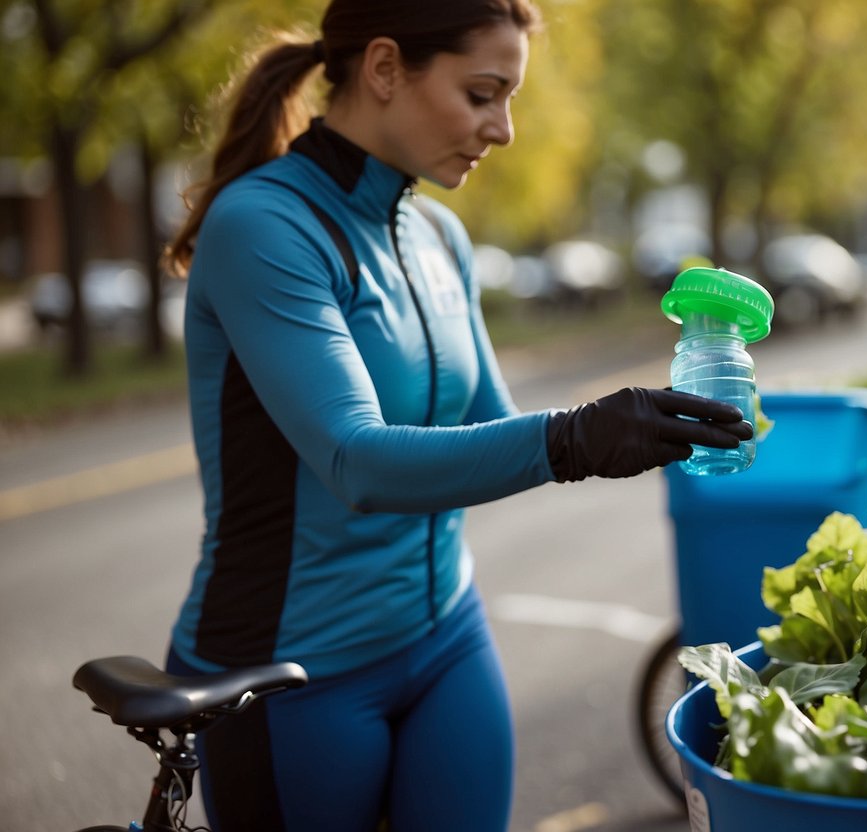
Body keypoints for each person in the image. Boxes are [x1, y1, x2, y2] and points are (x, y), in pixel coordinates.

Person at [161, 2, 751, 830]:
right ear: (384, 69)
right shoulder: (265, 225)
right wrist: (577, 436)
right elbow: (356, 461)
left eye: (508, 97)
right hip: (289, 670)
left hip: (443, 639)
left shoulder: (437, 235)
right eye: (482, 93)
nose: (503, 128)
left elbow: (493, 428)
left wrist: (659, 418)